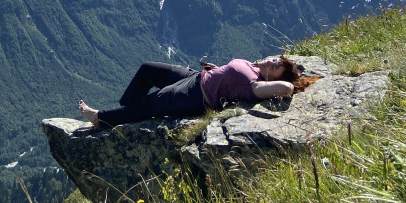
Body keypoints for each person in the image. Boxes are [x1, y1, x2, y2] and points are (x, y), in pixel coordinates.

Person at [78, 55, 301, 129]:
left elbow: (286, 88)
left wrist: (289, 86)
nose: (271, 61)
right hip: (196, 77)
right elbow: (230, 77)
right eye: (275, 60)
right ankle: (127, 113)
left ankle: (101, 119)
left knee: (153, 103)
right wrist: (218, 72)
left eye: (275, 66)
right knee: (147, 70)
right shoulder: (253, 67)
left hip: (195, 95)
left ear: (271, 78)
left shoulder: (256, 83)